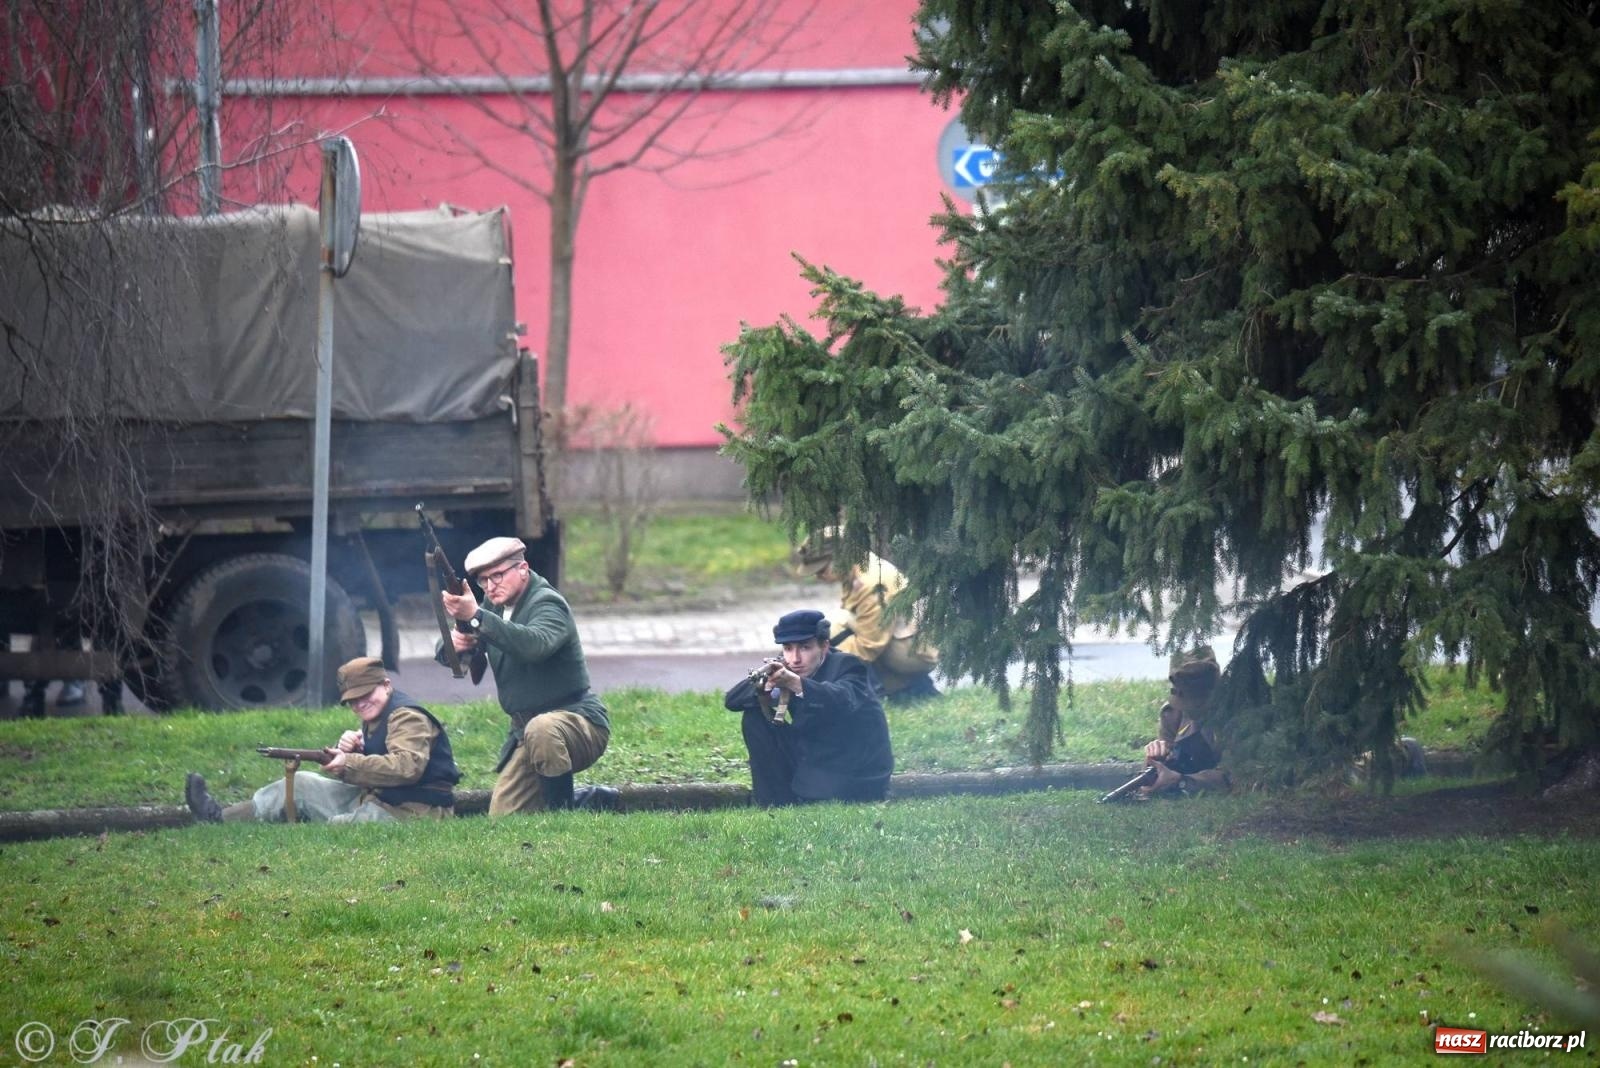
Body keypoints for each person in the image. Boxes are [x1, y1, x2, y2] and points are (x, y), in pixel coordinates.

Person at [440, 536, 616, 814]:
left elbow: (534, 646)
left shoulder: (548, 603)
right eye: (483, 580)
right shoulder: (494, 606)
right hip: (526, 732)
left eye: (497, 576)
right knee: (504, 819)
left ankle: (563, 814)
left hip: (578, 722)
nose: (490, 586)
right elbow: (455, 654)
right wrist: (457, 641)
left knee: (542, 729)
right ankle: (587, 800)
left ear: (523, 569)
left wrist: (477, 617)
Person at [185, 657, 459, 823]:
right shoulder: (377, 713)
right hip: (380, 798)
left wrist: (348, 762)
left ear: (386, 685)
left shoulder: (406, 716)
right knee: (301, 784)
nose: (360, 704)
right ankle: (219, 818)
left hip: (416, 812)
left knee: (342, 827)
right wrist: (357, 749)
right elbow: (382, 758)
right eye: (352, 700)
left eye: (366, 694)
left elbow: (406, 767)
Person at [724, 609, 895, 806]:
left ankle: (802, 793)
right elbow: (732, 700)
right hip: (816, 755)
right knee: (755, 718)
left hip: (855, 770)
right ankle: (773, 803)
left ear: (824, 646)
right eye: (788, 648)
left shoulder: (848, 665)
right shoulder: (787, 665)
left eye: (805, 648)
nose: (795, 658)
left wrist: (796, 683)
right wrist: (765, 687)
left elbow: (841, 700)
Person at [795, 534, 941, 703]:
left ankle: (872, 693)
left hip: (915, 654)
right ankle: (909, 687)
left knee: (834, 633)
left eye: (821, 570)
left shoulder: (870, 583)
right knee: (834, 627)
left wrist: (822, 665)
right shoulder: (857, 564)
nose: (818, 576)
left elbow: (869, 647)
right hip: (909, 643)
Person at [1140, 647, 1230, 796]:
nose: (1191, 709)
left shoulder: (1237, 714)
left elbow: (1234, 775)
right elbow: (1169, 763)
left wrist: (1182, 781)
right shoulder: (1172, 714)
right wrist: (1157, 760)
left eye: (1199, 703)